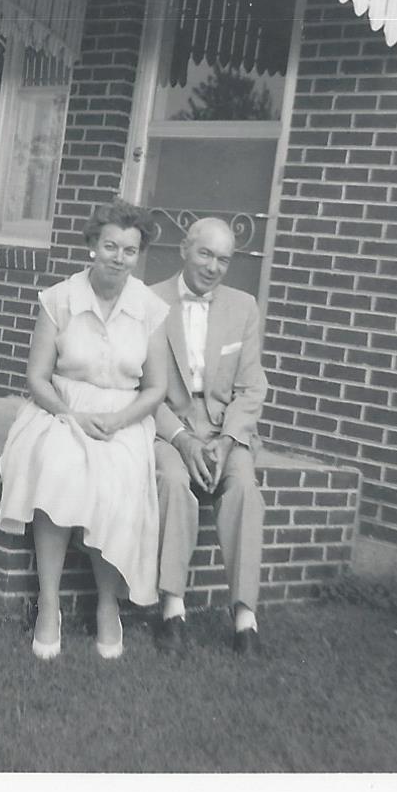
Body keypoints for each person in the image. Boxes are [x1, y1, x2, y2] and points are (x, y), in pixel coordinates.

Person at [0, 199, 170, 660]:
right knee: (57, 465)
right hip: (61, 408)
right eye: (110, 246)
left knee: (118, 478)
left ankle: (107, 604)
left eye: (129, 251)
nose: (118, 257)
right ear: (93, 245)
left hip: (123, 416)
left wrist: (117, 420)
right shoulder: (59, 299)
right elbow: (36, 376)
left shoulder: (150, 309)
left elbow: (155, 389)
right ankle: (49, 602)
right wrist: (70, 417)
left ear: (138, 255)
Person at [149, 217, 269, 656]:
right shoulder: (149, 302)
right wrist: (181, 439)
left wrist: (229, 439)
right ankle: (172, 610)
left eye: (224, 259)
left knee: (244, 489)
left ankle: (244, 618)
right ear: (184, 249)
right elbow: (141, 387)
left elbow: (252, 386)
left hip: (224, 429)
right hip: (168, 425)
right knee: (175, 483)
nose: (214, 267)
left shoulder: (243, 307)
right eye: (205, 254)